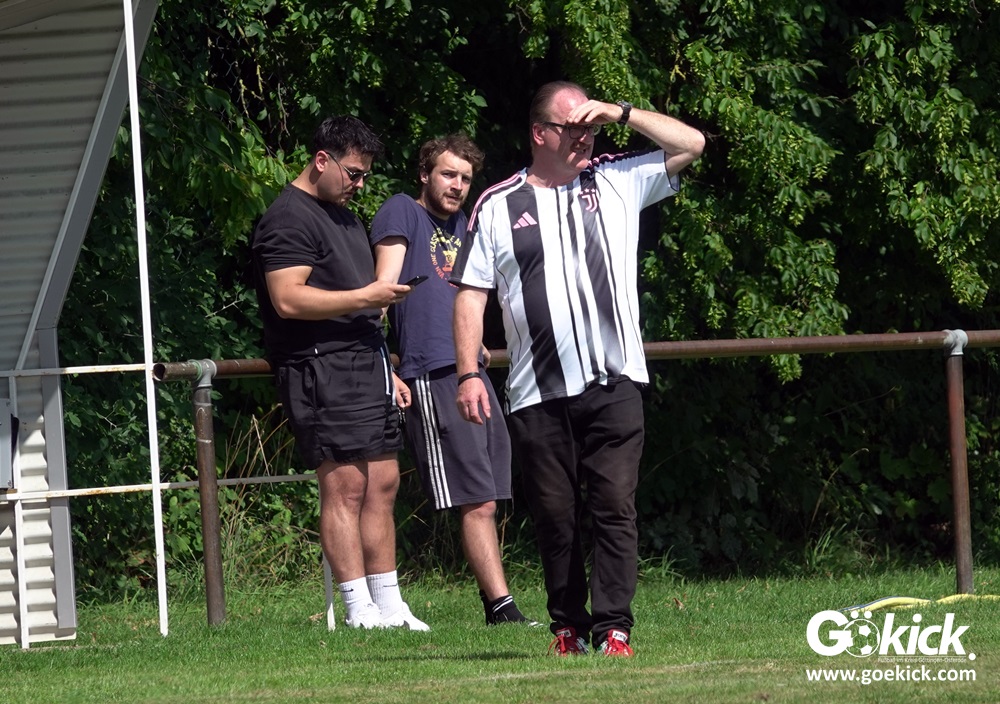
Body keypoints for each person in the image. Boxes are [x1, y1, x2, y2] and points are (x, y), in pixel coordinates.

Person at [450, 81, 705, 656]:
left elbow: (692, 144)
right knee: (556, 515)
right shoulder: (498, 203)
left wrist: (621, 112)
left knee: (614, 505)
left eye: (591, 127)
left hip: (614, 383)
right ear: (539, 133)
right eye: (572, 128)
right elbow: (471, 295)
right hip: (536, 391)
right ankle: (567, 626)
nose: (585, 137)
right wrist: (468, 373)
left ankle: (614, 627)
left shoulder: (615, 179)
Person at [251, 115, 429, 631]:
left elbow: (359, 305)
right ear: (321, 160)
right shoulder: (288, 218)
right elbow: (287, 299)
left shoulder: (345, 217)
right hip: (319, 365)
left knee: (384, 482)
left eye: (366, 175)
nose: (360, 184)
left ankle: (389, 604)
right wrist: (367, 296)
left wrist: (386, 365)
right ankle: (357, 607)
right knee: (346, 485)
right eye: (353, 173)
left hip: (365, 362)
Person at [369, 134, 535, 626]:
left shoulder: (466, 224)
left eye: (465, 178)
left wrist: (474, 344)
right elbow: (382, 294)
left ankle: (497, 604)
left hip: (470, 372)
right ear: (424, 174)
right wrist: (386, 368)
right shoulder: (402, 211)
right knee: (474, 496)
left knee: (491, 493)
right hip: (430, 370)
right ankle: (501, 607)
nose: (458, 185)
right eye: (448, 174)